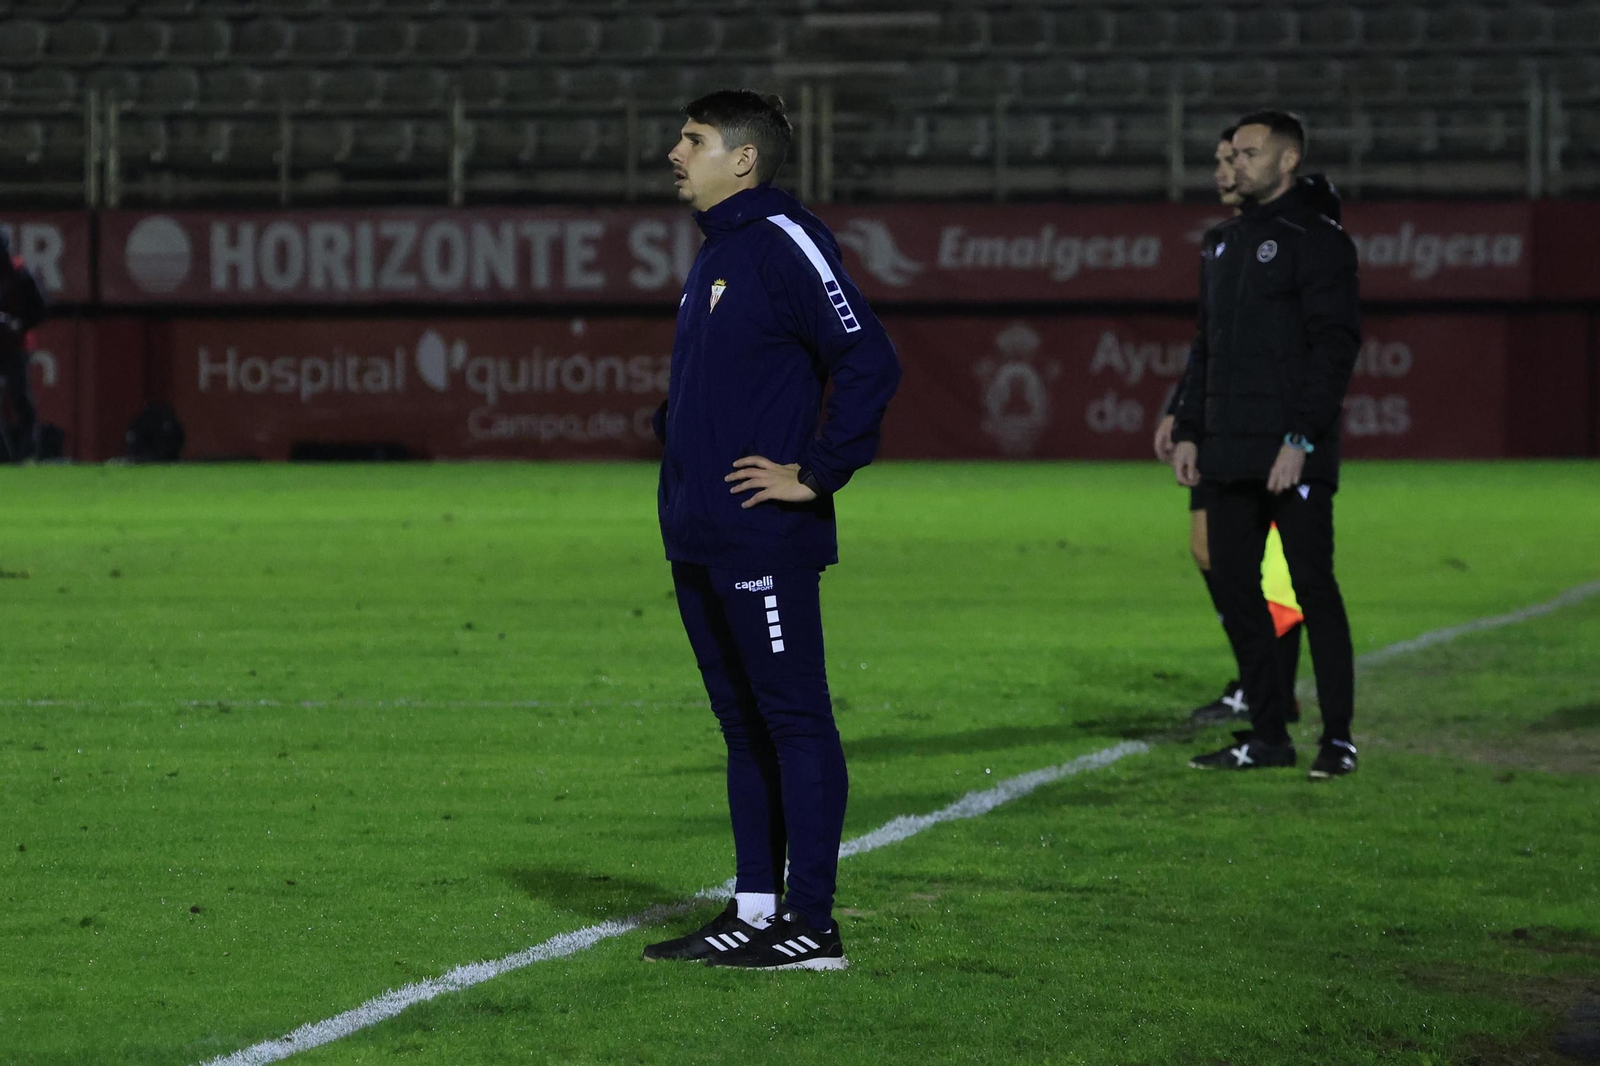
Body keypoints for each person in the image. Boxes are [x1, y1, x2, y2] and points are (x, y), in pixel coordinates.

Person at [641, 90, 901, 969]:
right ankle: (755, 909)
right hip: (700, 531)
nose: (675, 153)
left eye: (693, 140)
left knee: (792, 721)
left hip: (761, 537)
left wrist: (818, 472)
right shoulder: (720, 251)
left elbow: (869, 356)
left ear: (742, 158)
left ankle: (814, 925)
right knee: (743, 726)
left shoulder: (785, 240)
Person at [1170, 110, 1361, 779]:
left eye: (1248, 153)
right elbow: (1207, 346)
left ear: (1286, 162)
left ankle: (1337, 738)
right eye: (1233, 153)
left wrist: (1301, 439)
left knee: (1312, 588)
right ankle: (1269, 732)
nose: (1234, 163)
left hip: (1289, 453)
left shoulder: (1319, 240)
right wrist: (1190, 427)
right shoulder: (1220, 243)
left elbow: (1334, 348)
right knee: (1235, 587)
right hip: (1226, 451)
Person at [1154, 126, 1306, 726]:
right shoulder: (1220, 244)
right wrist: (1182, 407)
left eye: (1237, 159)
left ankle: (1268, 684)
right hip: (1217, 419)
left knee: (1266, 567)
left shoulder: (1291, 240)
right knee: (1210, 551)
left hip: (1261, 426)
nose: (1223, 171)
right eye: (1219, 160)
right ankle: (1258, 676)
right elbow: (1212, 340)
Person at [0, 233, 48, 462]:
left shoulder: (19, 274)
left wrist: (18, 324)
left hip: (15, 346)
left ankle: (27, 453)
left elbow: (40, 308)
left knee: (21, 399)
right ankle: (6, 455)